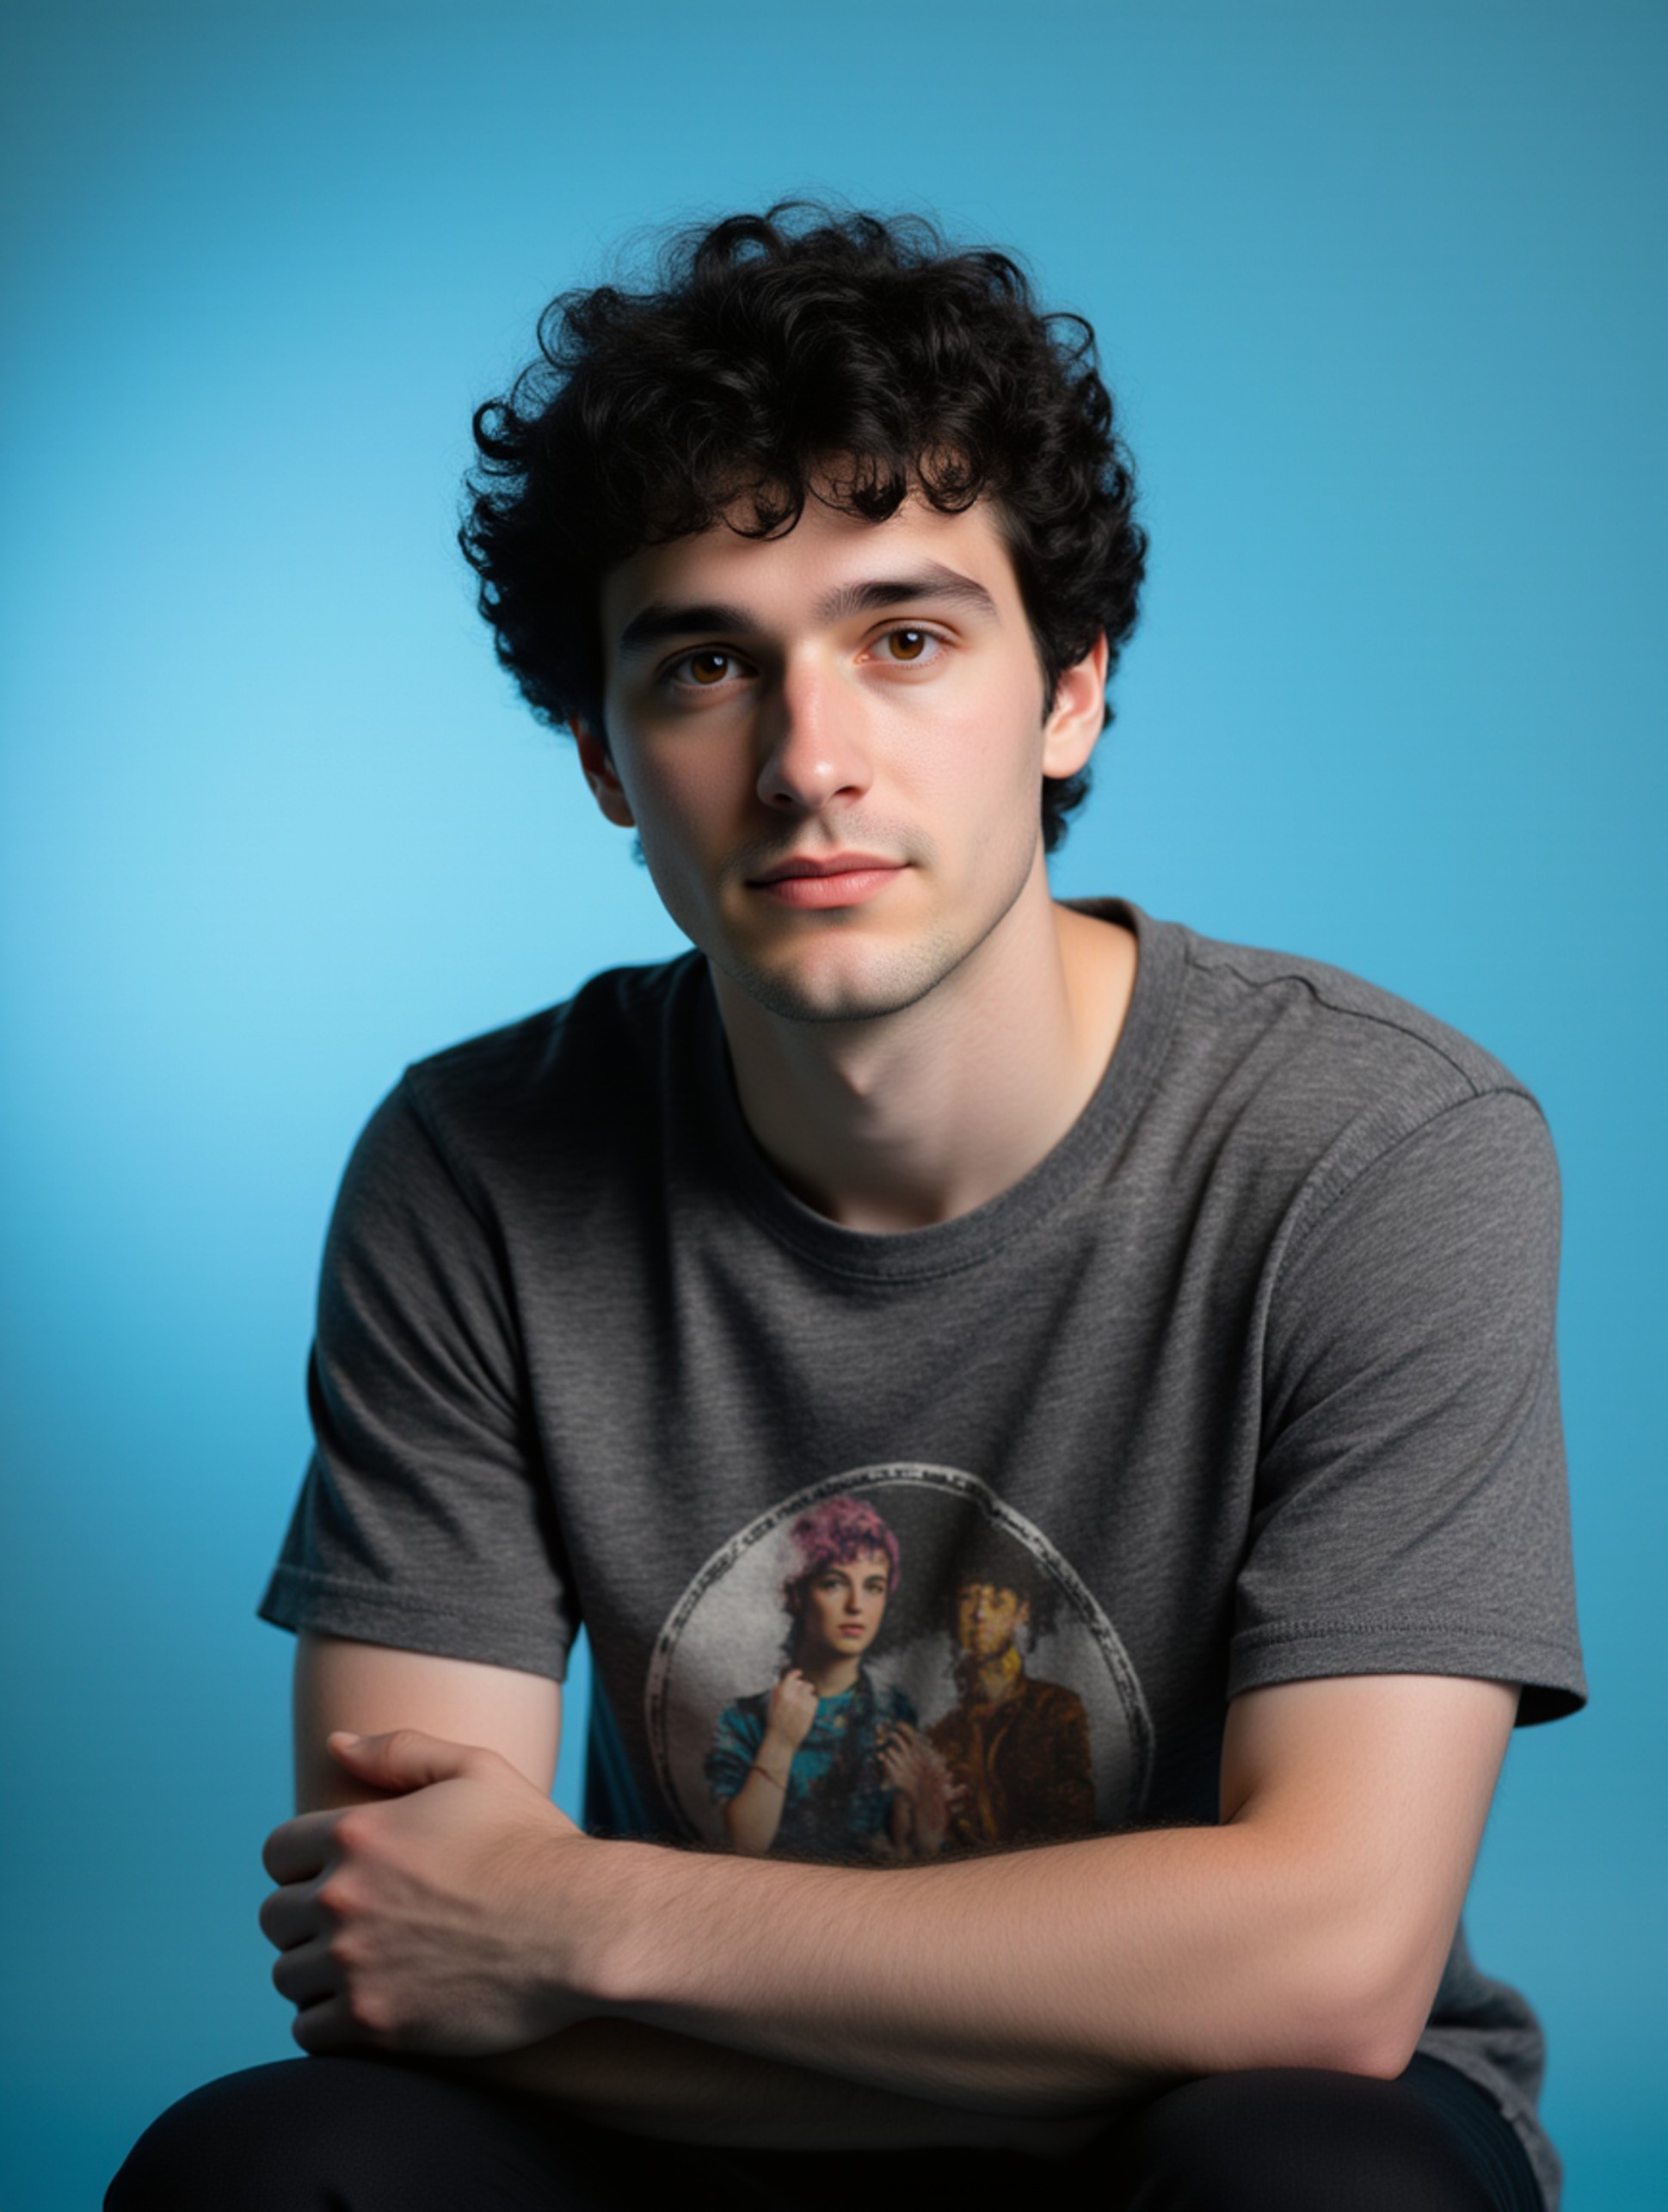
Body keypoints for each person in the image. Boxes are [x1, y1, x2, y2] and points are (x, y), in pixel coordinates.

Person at [108, 202, 1585, 2212]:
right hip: (677, 2125)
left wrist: (582, 1921)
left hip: (1200, 2130)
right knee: (275, 2172)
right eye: (708, 660)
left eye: (904, 639)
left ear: (1066, 693)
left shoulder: (1373, 1144)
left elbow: (1325, 1969)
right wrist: (1083, 2005)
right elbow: (403, 1950)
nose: (808, 760)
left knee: (1312, 2179)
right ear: (605, 756)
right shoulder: (474, 1165)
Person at [707, 1494, 918, 1858]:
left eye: (873, 1587)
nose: (856, 1605)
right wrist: (780, 1741)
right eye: (834, 1583)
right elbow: (744, 1845)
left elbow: (911, 1847)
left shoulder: (895, 1711)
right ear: (797, 1594)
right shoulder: (745, 1720)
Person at [920, 1548, 1096, 1850]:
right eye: (967, 1598)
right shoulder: (943, 1733)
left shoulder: (1055, 1709)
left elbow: (1075, 1820)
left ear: (1022, 1611)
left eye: (996, 1601)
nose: (979, 1614)